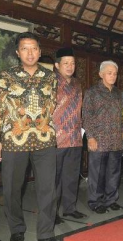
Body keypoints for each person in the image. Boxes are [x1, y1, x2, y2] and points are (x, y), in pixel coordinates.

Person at [0, 32, 58, 241]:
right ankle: (16, 229)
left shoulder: (51, 77)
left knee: (47, 189)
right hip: (14, 140)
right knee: (12, 189)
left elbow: (52, 105)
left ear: (40, 51)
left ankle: (46, 232)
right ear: (18, 52)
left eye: (34, 48)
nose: (30, 52)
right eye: (25, 48)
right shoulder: (6, 77)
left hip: (45, 139)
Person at [82, 60, 123, 214]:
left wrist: (122, 131)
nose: (113, 76)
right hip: (99, 140)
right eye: (109, 73)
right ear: (101, 74)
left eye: (114, 73)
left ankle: (111, 199)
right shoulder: (92, 92)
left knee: (114, 172)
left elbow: (122, 116)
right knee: (97, 174)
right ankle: (95, 201)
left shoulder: (119, 94)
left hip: (115, 140)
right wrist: (91, 137)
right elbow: (86, 116)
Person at [53, 47, 87, 224]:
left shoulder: (77, 84)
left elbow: (80, 110)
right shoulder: (50, 82)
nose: (70, 66)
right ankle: (53, 213)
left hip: (75, 137)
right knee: (54, 178)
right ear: (57, 65)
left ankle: (70, 208)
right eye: (66, 63)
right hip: (56, 139)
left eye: (72, 63)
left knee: (72, 176)